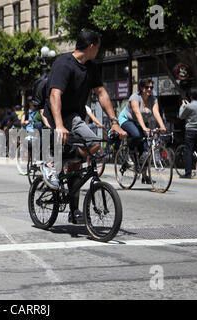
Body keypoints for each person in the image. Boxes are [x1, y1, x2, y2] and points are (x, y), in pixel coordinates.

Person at [41, 29, 126, 223]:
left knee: (88, 152)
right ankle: (51, 164)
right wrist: (60, 126)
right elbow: (55, 95)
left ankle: (73, 210)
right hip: (57, 114)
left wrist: (114, 122)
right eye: (98, 46)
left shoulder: (91, 67)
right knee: (86, 147)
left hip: (75, 116)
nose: (99, 50)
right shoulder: (63, 64)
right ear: (91, 46)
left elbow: (102, 93)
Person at [120, 78, 167, 183]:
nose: (149, 89)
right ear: (141, 87)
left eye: (151, 87)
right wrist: (144, 128)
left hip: (141, 122)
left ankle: (145, 176)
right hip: (128, 119)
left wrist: (162, 126)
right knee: (137, 135)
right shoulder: (135, 97)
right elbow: (137, 113)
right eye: (147, 87)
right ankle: (130, 151)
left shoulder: (153, 99)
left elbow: (156, 113)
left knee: (146, 148)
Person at [178, 87, 197, 179]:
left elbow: (181, 116)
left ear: (190, 96)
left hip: (190, 131)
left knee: (188, 151)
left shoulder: (189, 106)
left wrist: (182, 106)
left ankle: (188, 173)